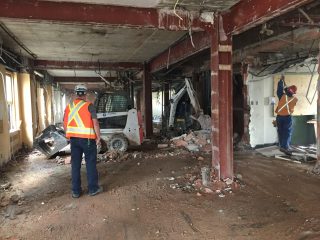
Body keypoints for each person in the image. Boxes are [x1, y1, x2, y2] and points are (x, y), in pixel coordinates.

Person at [63, 84, 102, 198]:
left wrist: (69, 136)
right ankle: (93, 189)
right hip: (88, 140)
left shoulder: (69, 106)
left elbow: (65, 123)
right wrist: (98, 137)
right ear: (85, 94)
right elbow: (95, 123)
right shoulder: (89, 106)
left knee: (75, 165)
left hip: (74, 140)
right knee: (90, 163)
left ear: (76, 93)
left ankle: (76, 191)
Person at [275, 75, 298, 155]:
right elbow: (288, 92)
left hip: (279, 117)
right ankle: (285, 147)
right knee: (287, 132)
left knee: (280, 131)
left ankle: (282, 146)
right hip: (287, 118)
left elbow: (280, 90)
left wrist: (281, 81)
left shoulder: (282, 96)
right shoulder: (295, 99)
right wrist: (286, 87)